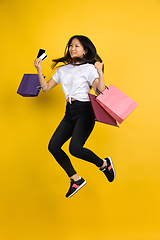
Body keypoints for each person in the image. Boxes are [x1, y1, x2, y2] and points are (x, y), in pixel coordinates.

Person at [34, 35, 115, 198]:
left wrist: (99, 71)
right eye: (71, 45)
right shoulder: (62, 70)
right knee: (54, 146)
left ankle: (104, 164)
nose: (72, 48)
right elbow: (45, 88)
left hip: (85, 111)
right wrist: (39, 69)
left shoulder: (89, 68)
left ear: (85, 50)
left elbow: (99, 92)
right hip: (69, 111)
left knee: (75, 149)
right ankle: (75, 179)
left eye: (77, 46)